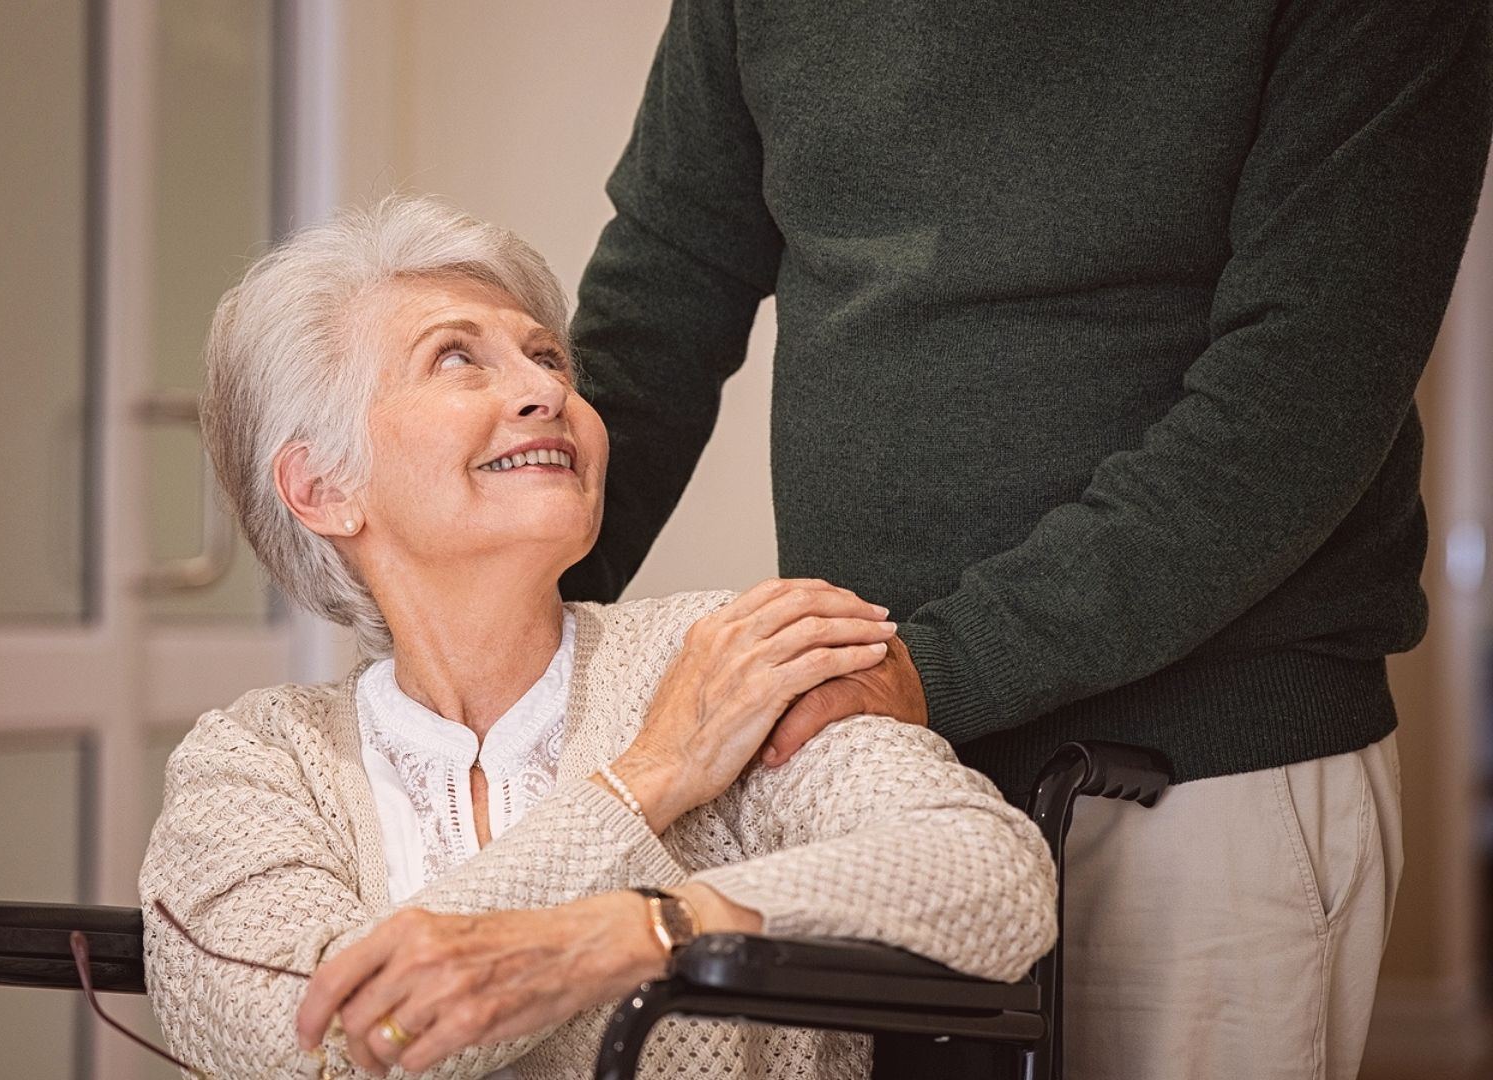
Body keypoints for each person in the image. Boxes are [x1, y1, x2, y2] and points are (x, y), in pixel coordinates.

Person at [557, 1, 1491, 1076]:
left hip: (1202, 773)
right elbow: (661, 300)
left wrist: (932, 669)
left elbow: (1298, 406)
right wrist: (511, 627)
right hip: (874, 769)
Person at [139, 197, 1055, 1079]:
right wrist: (646, 781)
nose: (546, 390)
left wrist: (646, 930)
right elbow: (309, 1050)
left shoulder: (718, 658)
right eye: (458, 360)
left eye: (550, 359)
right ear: (324, 486)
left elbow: (995, 878)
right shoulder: (257, 760)